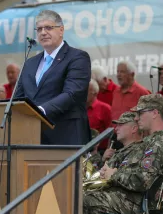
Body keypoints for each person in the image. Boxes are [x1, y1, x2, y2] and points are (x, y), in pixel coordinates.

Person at [14, 10, 91, 145]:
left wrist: (41, 111)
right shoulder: (30, 63)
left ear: (61, 30)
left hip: (66, 136)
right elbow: (18, 97)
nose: (43, 32)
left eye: (48, 27)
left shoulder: (77, 57)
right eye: (39, 29)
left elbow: (72, 93)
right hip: (32, 137)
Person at [87, 79, 112, 151]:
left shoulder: (105, 109)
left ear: (95, 94)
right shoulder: (79, 109)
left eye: (87, 91)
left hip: (100, 151)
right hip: (80, 150)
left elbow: (111, 134)